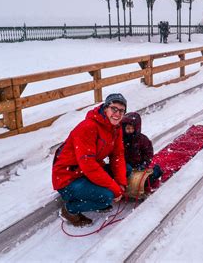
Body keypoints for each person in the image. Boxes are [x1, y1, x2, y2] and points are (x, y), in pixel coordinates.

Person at [52, 93, 128, 227]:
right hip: (69, 178)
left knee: (126, 170)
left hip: (85, 172)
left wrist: (121, 183)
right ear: (105, 109)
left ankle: (95, 196)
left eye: (121, 111)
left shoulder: (116, 127)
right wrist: (115, 189)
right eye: (114, 109)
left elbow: (117, 156)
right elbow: (88, 165)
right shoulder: (88, 127)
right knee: (106, 197)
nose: (117, 114)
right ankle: (70, 210)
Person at [122, 112, 163, 188]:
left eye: (132, 129)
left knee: (141, 183)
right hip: (125, 166)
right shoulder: (121, 139)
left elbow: (148, 153)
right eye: (128, 128)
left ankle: (155, 172)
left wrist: (144, 164)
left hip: (139, 166)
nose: (130, 131)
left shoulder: (142, 139)